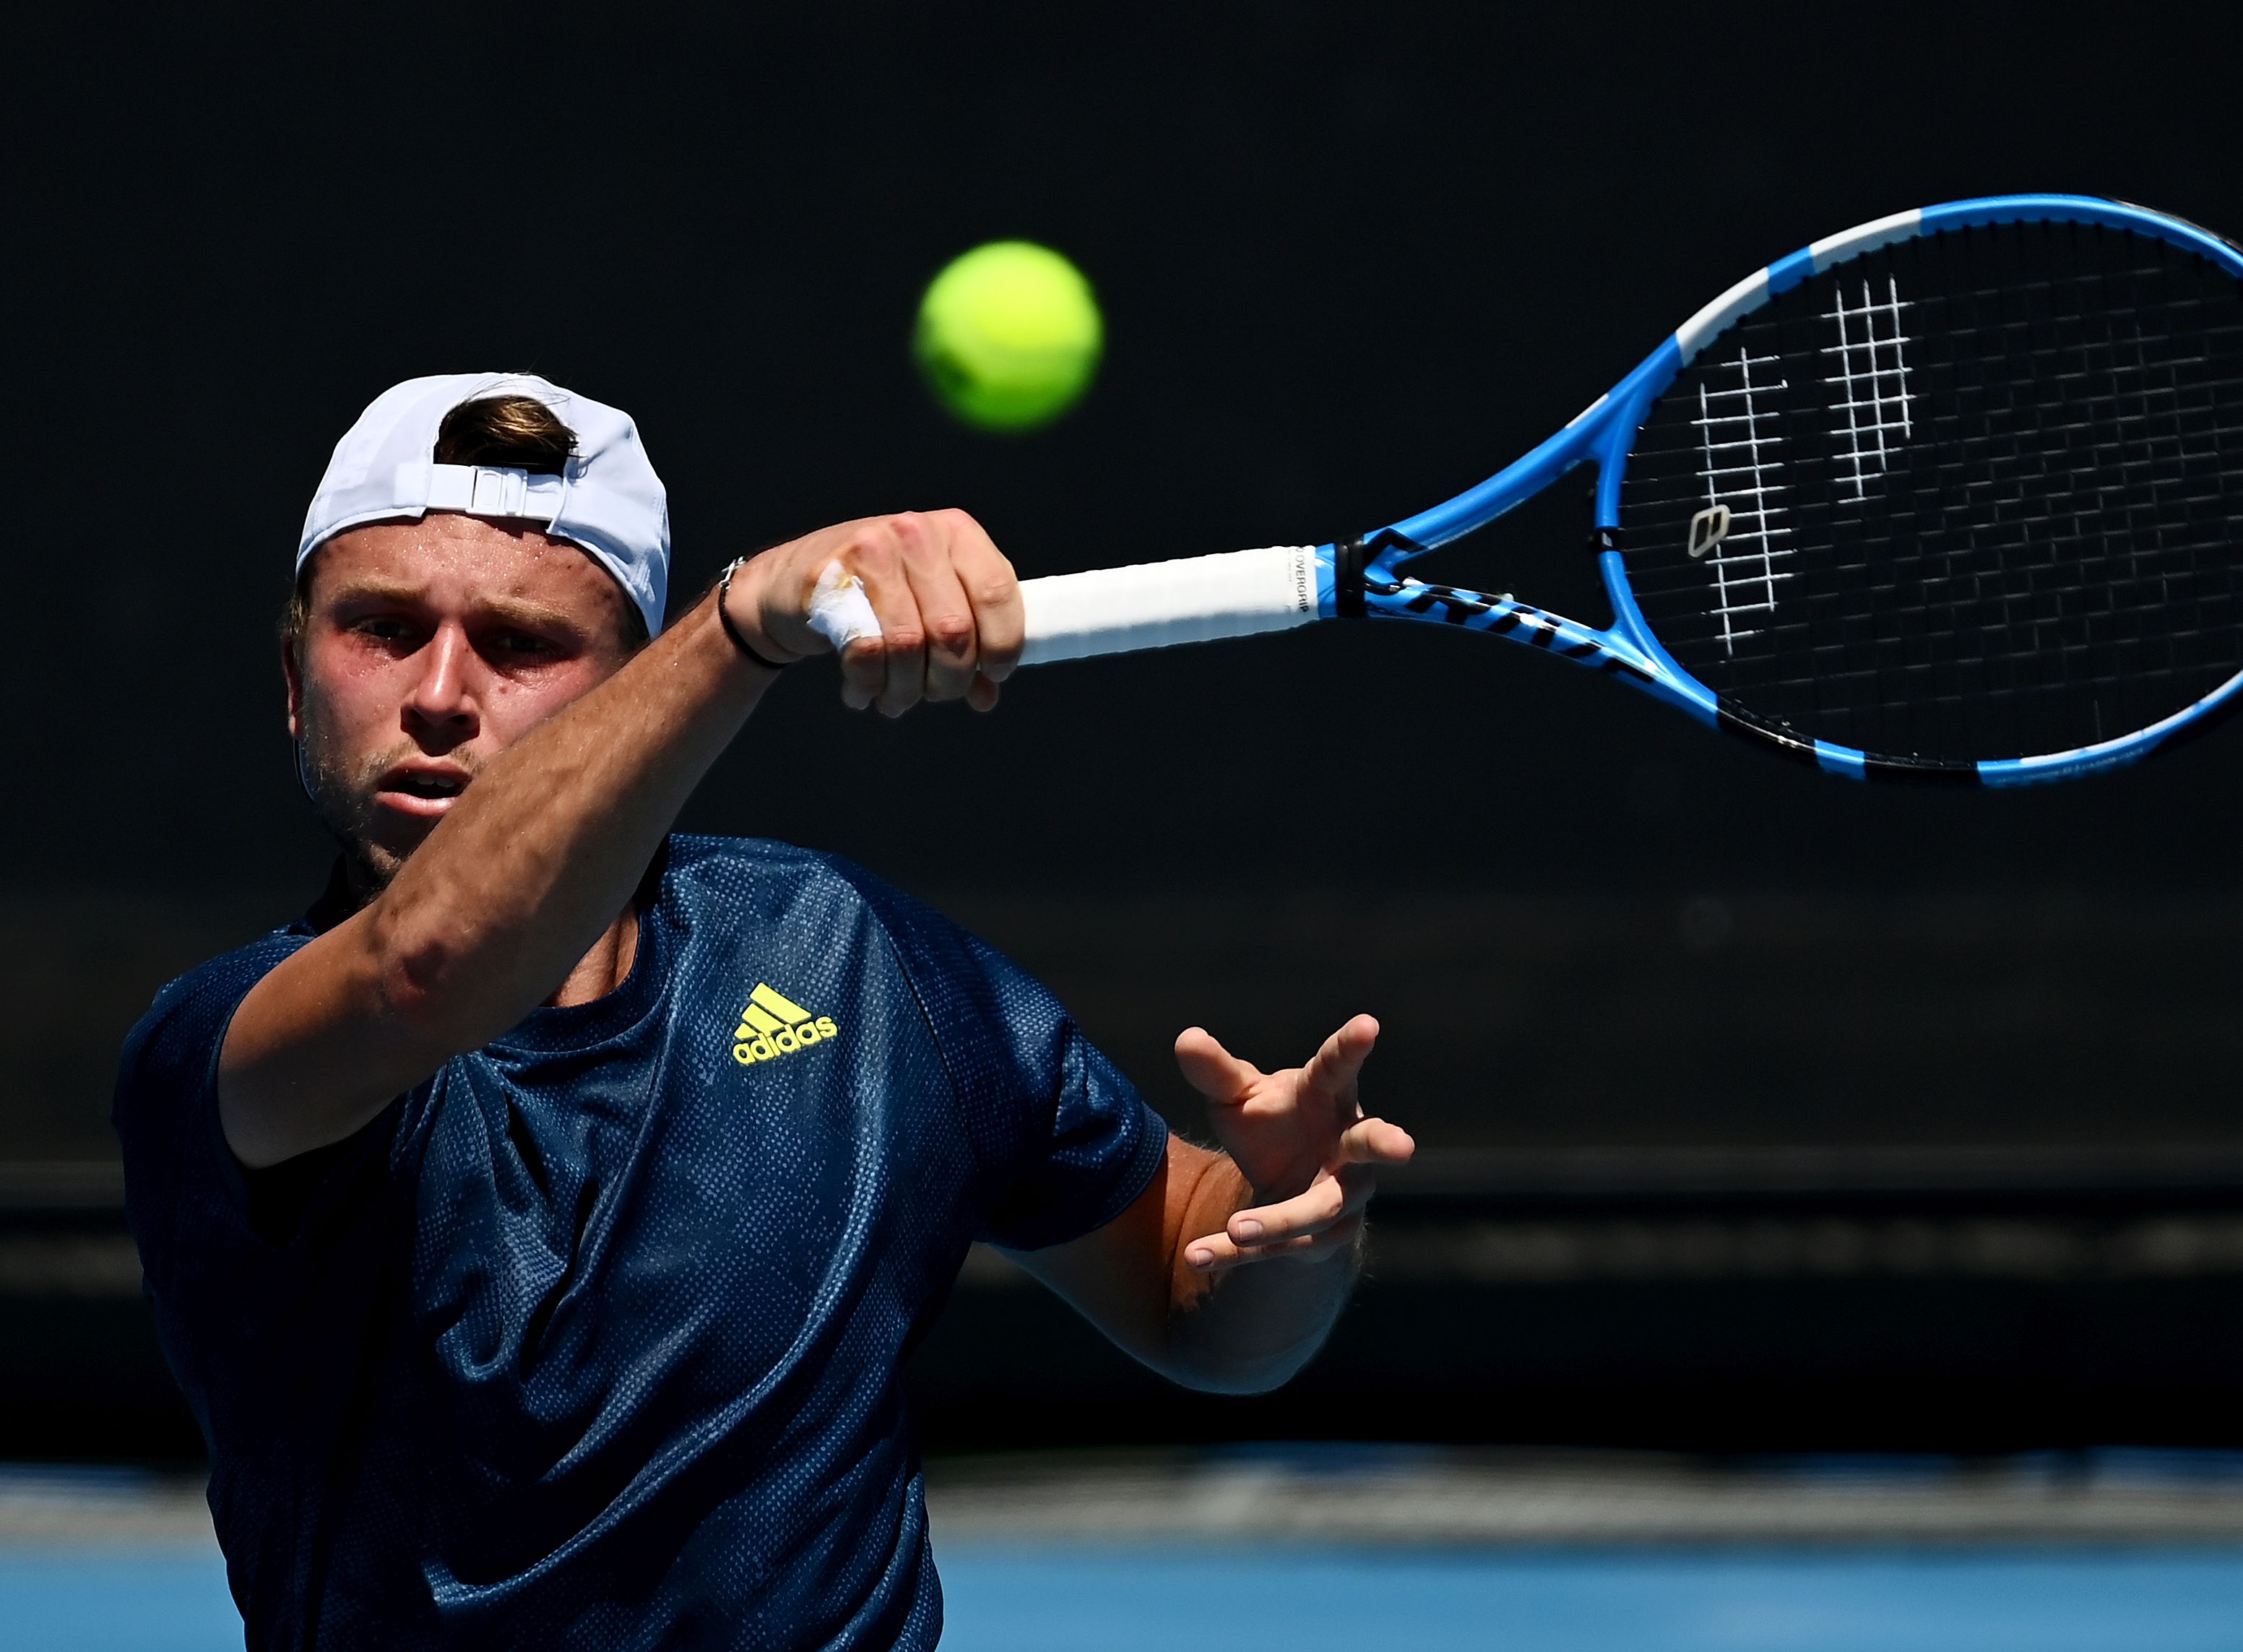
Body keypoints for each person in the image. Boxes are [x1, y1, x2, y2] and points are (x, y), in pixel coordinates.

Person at [113, 373, 1414, 1649]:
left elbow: (1201, 1305)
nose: (441, 693)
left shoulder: (848, 958)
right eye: (383, 630)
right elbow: (428, 971)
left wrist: (1287, 1234)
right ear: (296, 680)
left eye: (522, 645)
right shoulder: (225, 1047)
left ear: (637, 707)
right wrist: (741, 625)